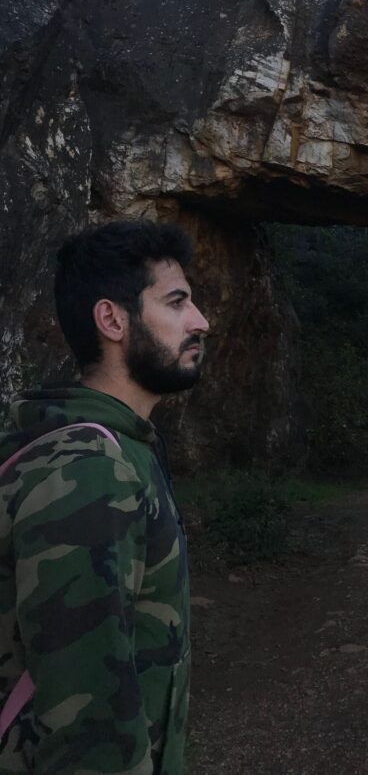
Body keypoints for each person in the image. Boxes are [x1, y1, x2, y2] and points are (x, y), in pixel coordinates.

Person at [0, 219, 209, 774]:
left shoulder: (116, 446)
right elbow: (85, 718)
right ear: (112, 319)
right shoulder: (92, 469)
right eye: (177, 302)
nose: (201, 321)